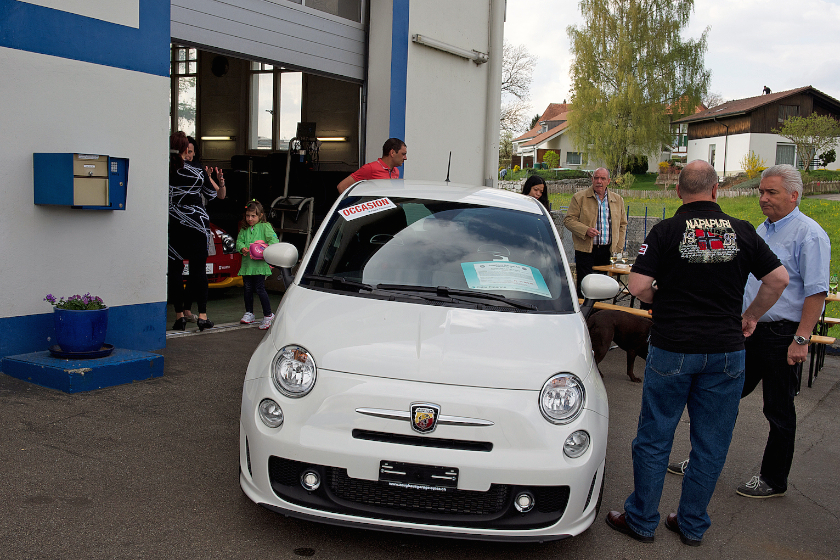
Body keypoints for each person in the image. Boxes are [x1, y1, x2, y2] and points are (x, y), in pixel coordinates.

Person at [605, 160, 788, 546]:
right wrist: (750, 316)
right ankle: (690, 523)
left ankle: (641, 519)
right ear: (716, 189)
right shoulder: (741, 231)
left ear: (677, 192)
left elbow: (637, 284)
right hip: (725, 351)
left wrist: (664, 302)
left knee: (655, 438)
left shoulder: (666, 231)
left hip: (673, 347)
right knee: (711, 442)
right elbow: (778, 279)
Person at [667, 164, 830, 500]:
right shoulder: (763, 230)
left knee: (779, 410)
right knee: (721, 399)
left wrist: (801, 339)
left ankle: (773, 478)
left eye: (771, 192)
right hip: (749, 330)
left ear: (794, 195)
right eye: (761, 192)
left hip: (782, 335)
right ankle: (701, 461)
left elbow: (816, 292)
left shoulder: (809, 234)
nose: (763, 198)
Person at [168, 131, 222, 332]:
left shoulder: (167, 169)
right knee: (198, 269)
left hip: (175, 223)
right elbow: (211, 194)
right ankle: (202, 315)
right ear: (184, 149)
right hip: (198, 224)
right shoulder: (197, 169)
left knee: (175, 269)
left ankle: (180, 316)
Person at [181, 136, 226, 323]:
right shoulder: (175, 170)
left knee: (197, 269)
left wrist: (219, 180)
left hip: (199, 225)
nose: (188, 155)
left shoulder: (199, 170)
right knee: (190, 269)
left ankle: (194, 311)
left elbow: (220, 195)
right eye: (185, 151)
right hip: (182, 225)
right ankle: (189, 311)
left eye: (191, 152)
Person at [563, 168, 627, 293]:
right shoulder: (579, 197)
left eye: (602, 178)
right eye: (596, 178)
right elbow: (568, 220)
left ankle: (599, 312)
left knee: (602, 287)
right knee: (585, 287)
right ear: (592, 180)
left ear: (608, 181)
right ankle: (584, 312)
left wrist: (618, 247)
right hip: (586, 250)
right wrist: (585, 230)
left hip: (607, 250)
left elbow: (622, 225)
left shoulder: (617, 199)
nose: (599, 181)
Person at [235, 201, 280, 330]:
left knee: (260, 289)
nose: (249, 219)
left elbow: (274, 241)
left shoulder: (265, 226)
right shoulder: (244, 228)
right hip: (247, 265)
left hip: (260, 265)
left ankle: (268, 315)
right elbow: (239, 241)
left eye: (253, 216)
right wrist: (242, 248)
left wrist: (263, 248)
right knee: (248, 289)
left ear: (260, 215)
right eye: (247, 216)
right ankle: (249, 313)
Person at [336, 138, 407, 194]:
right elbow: (342, 186)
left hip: (388, 211)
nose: (405, 158)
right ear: (392, 153)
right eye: (403, 154)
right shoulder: (370, 168)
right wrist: (354, 207)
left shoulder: (395, 171)